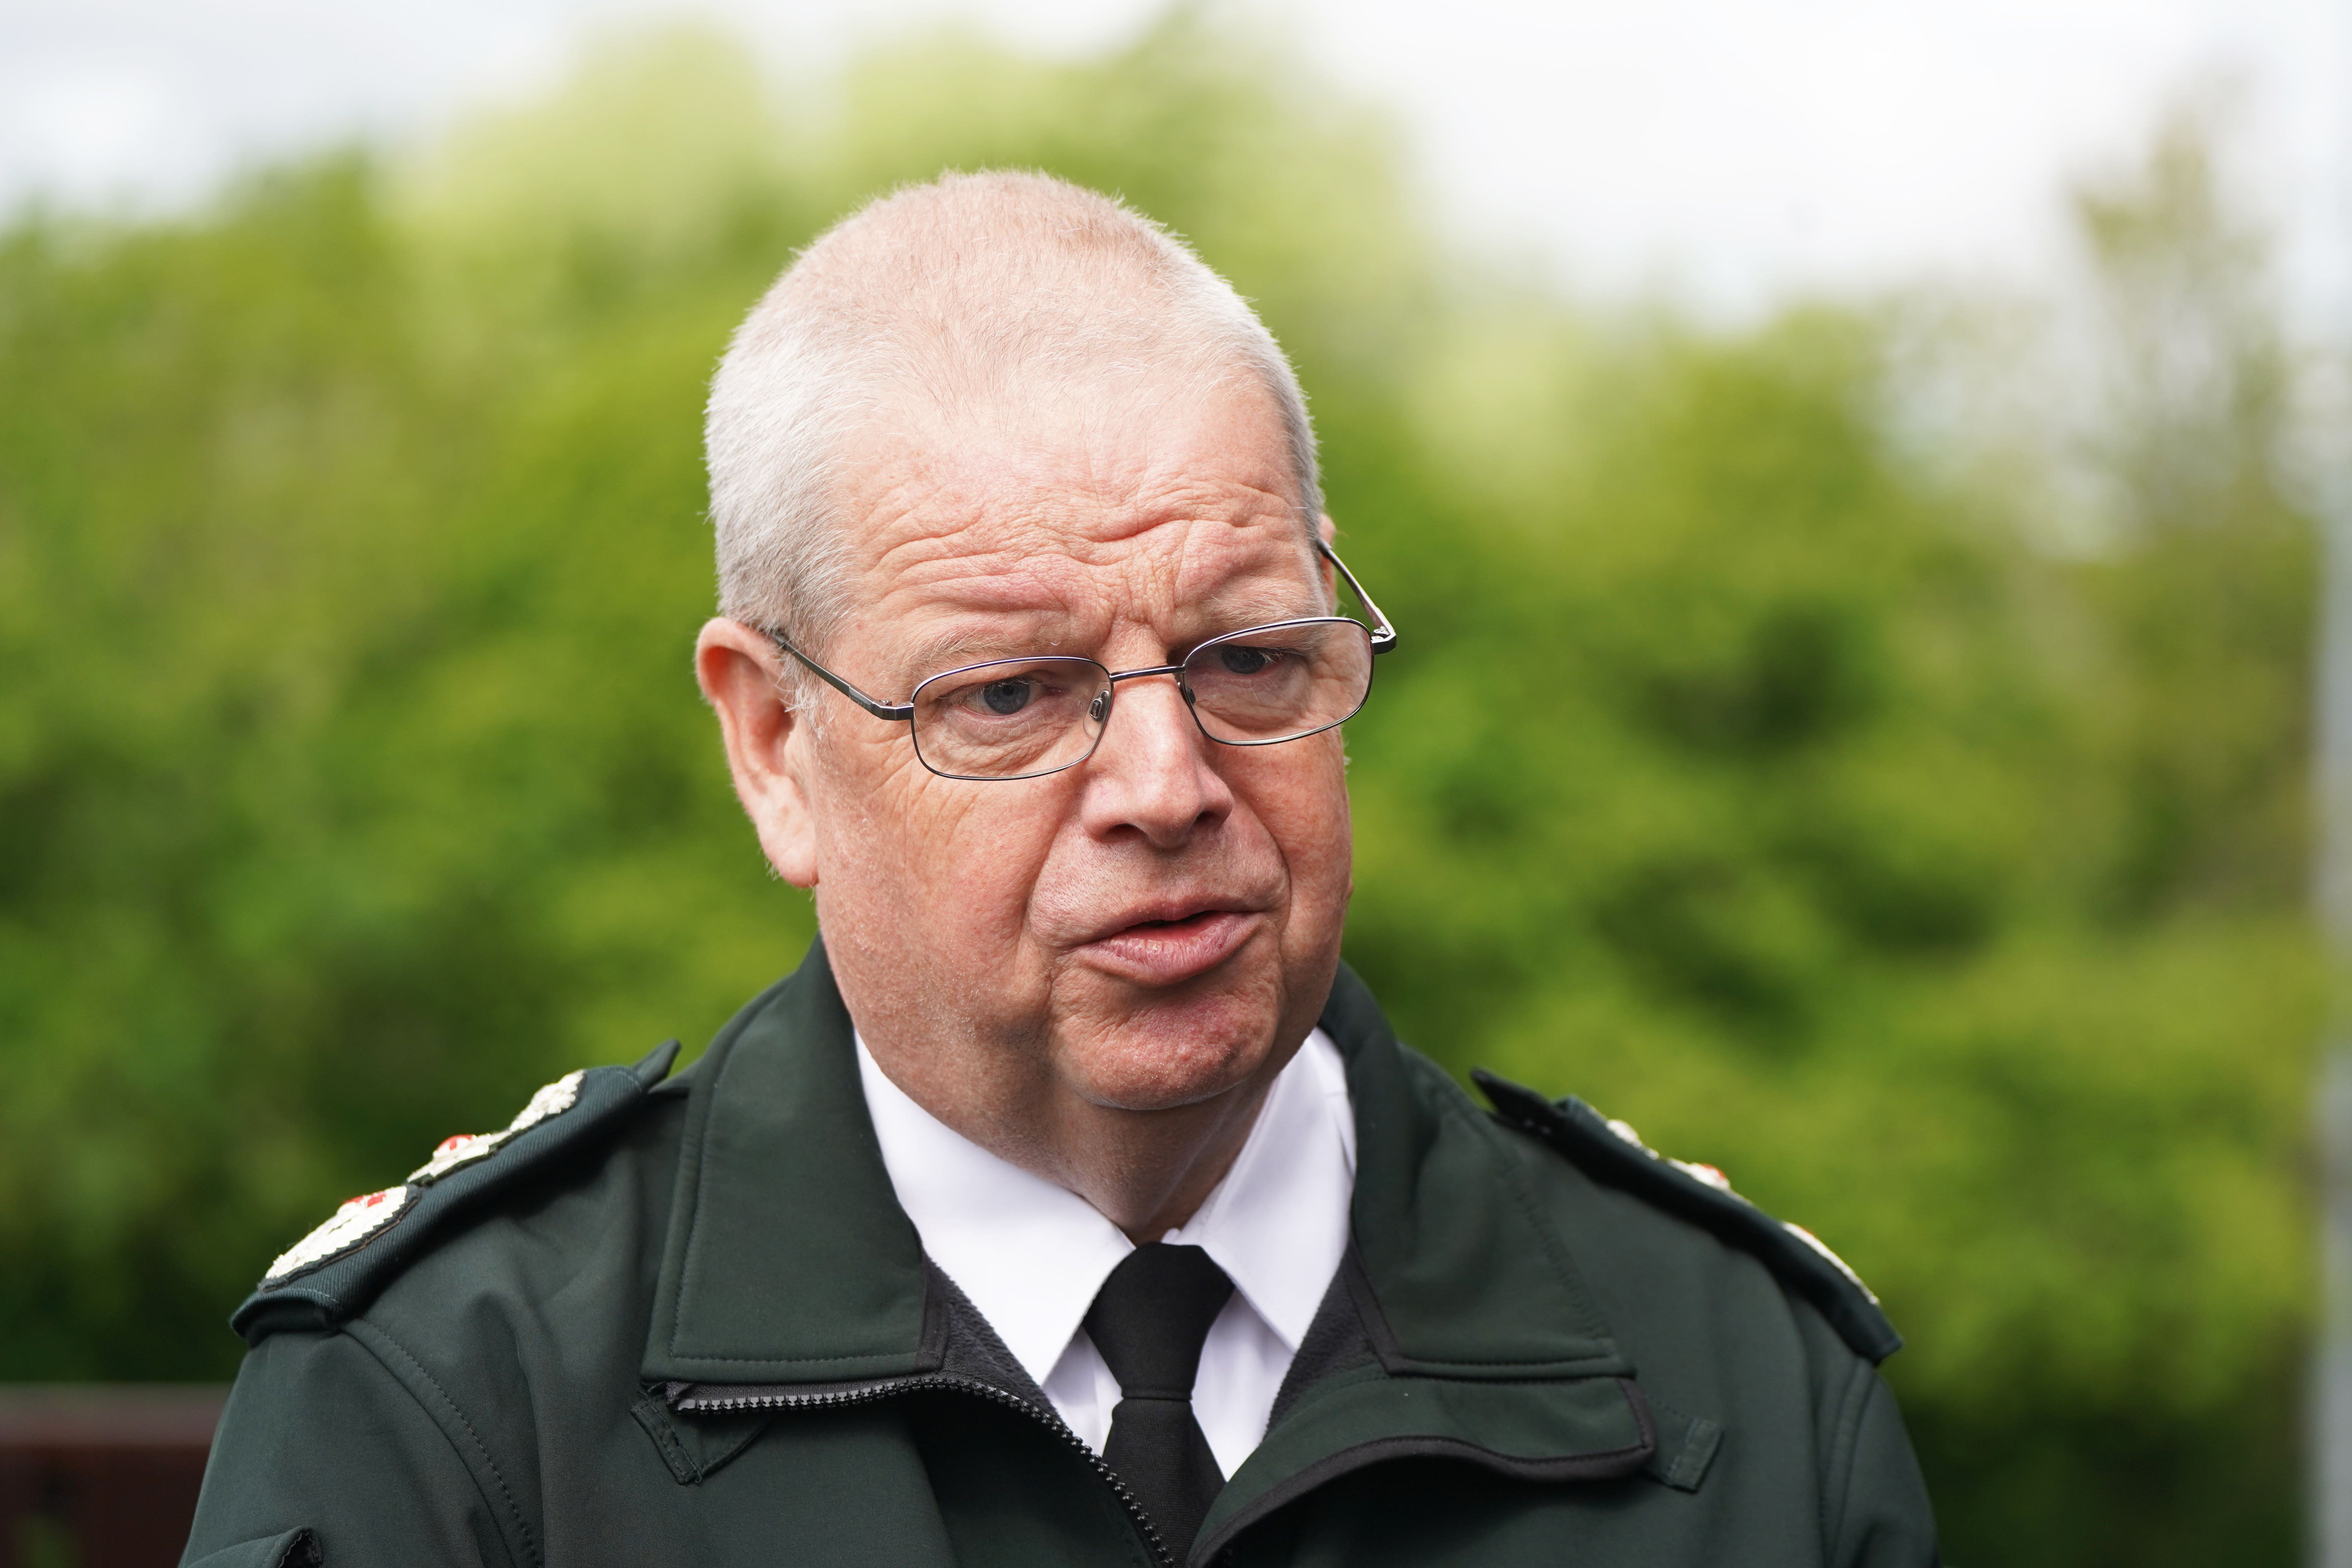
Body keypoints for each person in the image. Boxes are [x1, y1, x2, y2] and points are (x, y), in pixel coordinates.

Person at [183, 171, 1939, 1568]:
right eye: (1013, 693)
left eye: (1249, 658)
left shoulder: (1733, 1384)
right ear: (778, 746)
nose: (1167, 785)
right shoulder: (456, 1407)